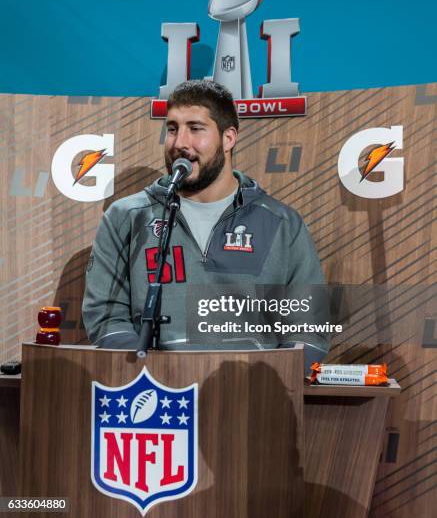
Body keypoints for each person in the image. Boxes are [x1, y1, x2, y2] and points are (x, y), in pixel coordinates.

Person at [82, 80, 329, 369]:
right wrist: (149, 374)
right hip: (159, 397)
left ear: (228, 138)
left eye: (195, 128)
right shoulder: (127, 216)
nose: (179, 143)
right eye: (172, 129)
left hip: (254, 397)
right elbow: (106, 315)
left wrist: (270, 381)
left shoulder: (281, 222)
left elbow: (309, 327)